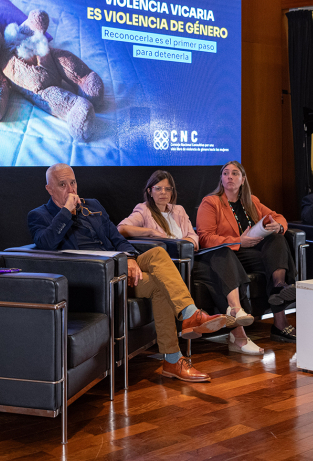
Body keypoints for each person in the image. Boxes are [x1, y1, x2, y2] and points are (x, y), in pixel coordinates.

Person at [28, 164, 232, 383]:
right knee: (156, 277)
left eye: (73, 182)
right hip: (95, 278)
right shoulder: (39, 215)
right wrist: (66, 211)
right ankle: (185, 329)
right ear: (49, 189)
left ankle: (181, 339)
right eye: (62, 184)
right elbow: (46, 244)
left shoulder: (93, 206)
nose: (70, 189)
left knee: (157, 258)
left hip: (119, 266)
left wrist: (131, 258)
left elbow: (117, 238)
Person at [118, 170, 263, 355]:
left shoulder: (178, 210)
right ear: (149, 191)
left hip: (189, 258)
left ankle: (235, 316)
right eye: (158, 188)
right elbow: (121, 229)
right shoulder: (143, 210)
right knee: (216, 275)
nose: (163, 193)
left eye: (167, 189)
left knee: (222, 256)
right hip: (171, 264)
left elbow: (193, 236)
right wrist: (150, 233)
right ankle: (238, 334)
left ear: (172, 192)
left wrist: (186, 244)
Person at [197, 161, 298, 343]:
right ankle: (279, 321)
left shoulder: (251, 201)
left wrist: (279, 226)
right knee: (272, 258)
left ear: (243, 179)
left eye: (235, 173)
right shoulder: (211, 202)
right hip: (228, 255)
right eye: (226, 173)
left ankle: (279, 287)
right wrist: (238, 241)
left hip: (251, 254)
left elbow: (278, 216)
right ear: (221, 178)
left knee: (277, 238)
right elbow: (205, 238)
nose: (230, 177)